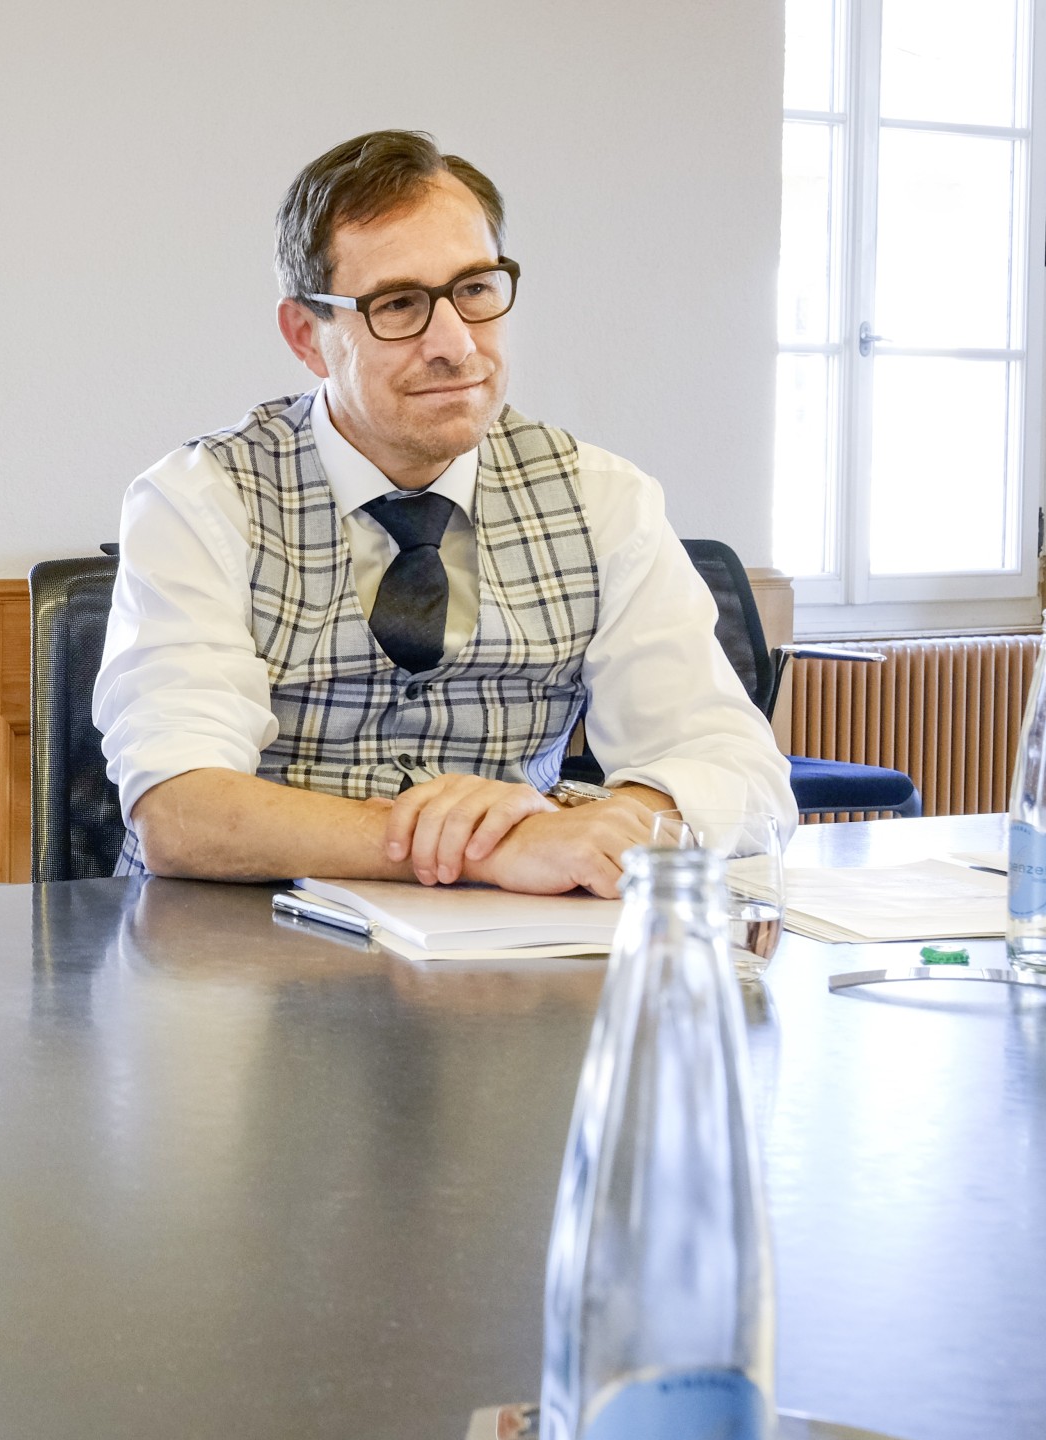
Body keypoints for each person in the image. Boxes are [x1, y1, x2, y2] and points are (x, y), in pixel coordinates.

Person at [94, 129, 794, 898]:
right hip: (233, 962)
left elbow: (740, 772)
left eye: (476, 290)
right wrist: (485, 847)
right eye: (399, 304)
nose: (455, 344)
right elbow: (180, 811)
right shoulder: (201, 499)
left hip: (507, 969)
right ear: (308, 336)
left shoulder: (605, 499)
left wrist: (608, 818)